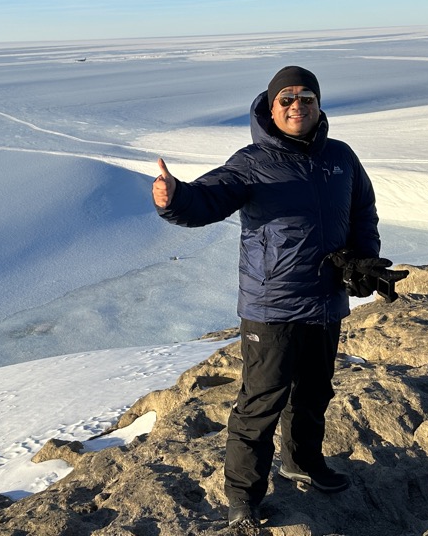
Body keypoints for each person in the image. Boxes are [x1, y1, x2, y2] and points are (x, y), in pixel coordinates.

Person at [151, 66, 381, 528]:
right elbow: (207, 199)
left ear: (318, 105)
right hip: (271, 305)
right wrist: (174, 197)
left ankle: (303, 461)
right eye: (288, 99)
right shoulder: (252, 161)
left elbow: (363, 211)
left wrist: (364, 260)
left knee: (315, 392)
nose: (298, 106)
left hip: (326, 299)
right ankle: (243, 496)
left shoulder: (341, 156)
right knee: (260, 403)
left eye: (308, 98)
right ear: (271, 107)